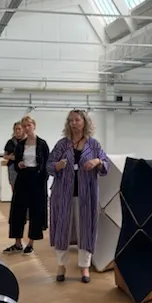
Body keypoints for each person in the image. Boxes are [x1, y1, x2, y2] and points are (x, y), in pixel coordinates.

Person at [47, 110, 109, 283]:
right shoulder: (62, 144)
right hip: (63, 195)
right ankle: (61, 266)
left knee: (85, 230)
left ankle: (84, 267)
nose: (73, 123)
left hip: (86, 195)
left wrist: (97, 161)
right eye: (71, 120)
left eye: (77, 120)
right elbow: (49, 165)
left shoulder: (93, 145)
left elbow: (105, 165)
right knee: (62, 230)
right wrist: (58, 166)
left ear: (84, 122)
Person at [5, 116, 50, 255]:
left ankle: (31, 243)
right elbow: (16, 162)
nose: (26, 128)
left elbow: (46, 164)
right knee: (17, 210)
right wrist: (18, 164)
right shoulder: (20, 144)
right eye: (24, 126)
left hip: (37, 179)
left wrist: (42, 180)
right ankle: (17, 243)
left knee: (36, 211)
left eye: (28, 125)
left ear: (34, 126)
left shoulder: (42, 144)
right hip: (23, 178)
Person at [3, 121, 25, 191]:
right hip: (13, 167)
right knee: (14, 187)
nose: (17, 131)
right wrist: (10, 157)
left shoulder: (27, 141)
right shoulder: (10, 142)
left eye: (19, 129)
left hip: (24, 166)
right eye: (16, 129)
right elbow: (5, 155)